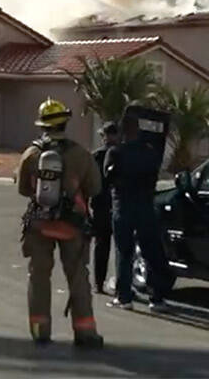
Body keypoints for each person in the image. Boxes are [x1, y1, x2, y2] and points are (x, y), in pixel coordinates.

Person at [15, 98, 104, 348]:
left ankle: (39, 330)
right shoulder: (81, 154)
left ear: (42, 125)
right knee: (77, 277)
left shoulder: (31, 154)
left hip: (39, 225)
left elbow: (23, 190)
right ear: (65, 122)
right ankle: (85, 332)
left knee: (39, 276)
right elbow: (95, 188)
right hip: (73, 226)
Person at [104, 109, 171, 313]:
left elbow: (107, 178)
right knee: (150, 251)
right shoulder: (151, 152)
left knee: (124, 252)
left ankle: (124, 297)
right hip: (145, 207)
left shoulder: (116, 152)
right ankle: (156, 298)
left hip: (123, 207)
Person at [91, 121, 120, 294]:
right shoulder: (123, 154)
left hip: (102, 205)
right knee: (120, 248)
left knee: (102, 245)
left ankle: (99, 283)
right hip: (115, 205)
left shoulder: (97, 156)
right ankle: (119, 285)